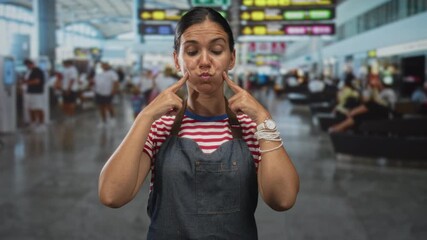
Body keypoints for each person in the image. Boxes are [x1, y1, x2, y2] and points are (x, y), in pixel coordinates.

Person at [98, 7, 299, 239]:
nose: (205, 62)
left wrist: (265, 120)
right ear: (177, 60)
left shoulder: (253, 130)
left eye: (216, 50)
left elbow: (283, 199)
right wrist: (145, 117)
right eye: (192, 51)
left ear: (231, 58)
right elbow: (111, 195)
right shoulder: (160, 127)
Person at [329, 74, 397, 133]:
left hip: (386, 114)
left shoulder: (389, 92)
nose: (375, 82)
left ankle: (344, 122)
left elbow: (382, 104)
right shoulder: (378, 91)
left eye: (377, 80)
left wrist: (373, 91)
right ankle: (342, 125)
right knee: (360, 115)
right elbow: (366, 100)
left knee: (371, 104)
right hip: (377, 113)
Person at [93, 62, 119, 127]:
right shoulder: (99, 74)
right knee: (101, 107)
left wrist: (114, 90)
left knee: (109, 106)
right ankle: (103, 121)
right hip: (99, 92)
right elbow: (95, 82)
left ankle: (113, 118)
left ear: (108, 66)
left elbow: (116, 82)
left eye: (105, 65)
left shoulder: (112, 73)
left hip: (108, 93)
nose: (103, 66)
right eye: (102, 66)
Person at [23, 59, 46, 129]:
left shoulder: (38, 71)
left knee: (38, 108)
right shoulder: (29, 71)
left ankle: (42, 124)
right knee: (30, 108)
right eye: (27, 64)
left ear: (33, 64)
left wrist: (26, 82)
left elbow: (37, 81)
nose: (28, 66)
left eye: (29, 64)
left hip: (37, 93)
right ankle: (33, 123)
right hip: (29, 92)